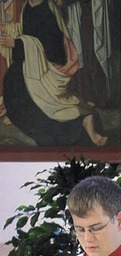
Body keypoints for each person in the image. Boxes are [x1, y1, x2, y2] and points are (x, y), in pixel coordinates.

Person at [0, 0, 107, 146]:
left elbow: (52, 49)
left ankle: (83, 119)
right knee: (13, 77)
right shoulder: (27, 6)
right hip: (32, 64)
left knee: (44, 120)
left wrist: (17, 44)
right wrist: (11, 31)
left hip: (49, 67)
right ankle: (15, 114)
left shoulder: (48, 10)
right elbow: (27, 32)